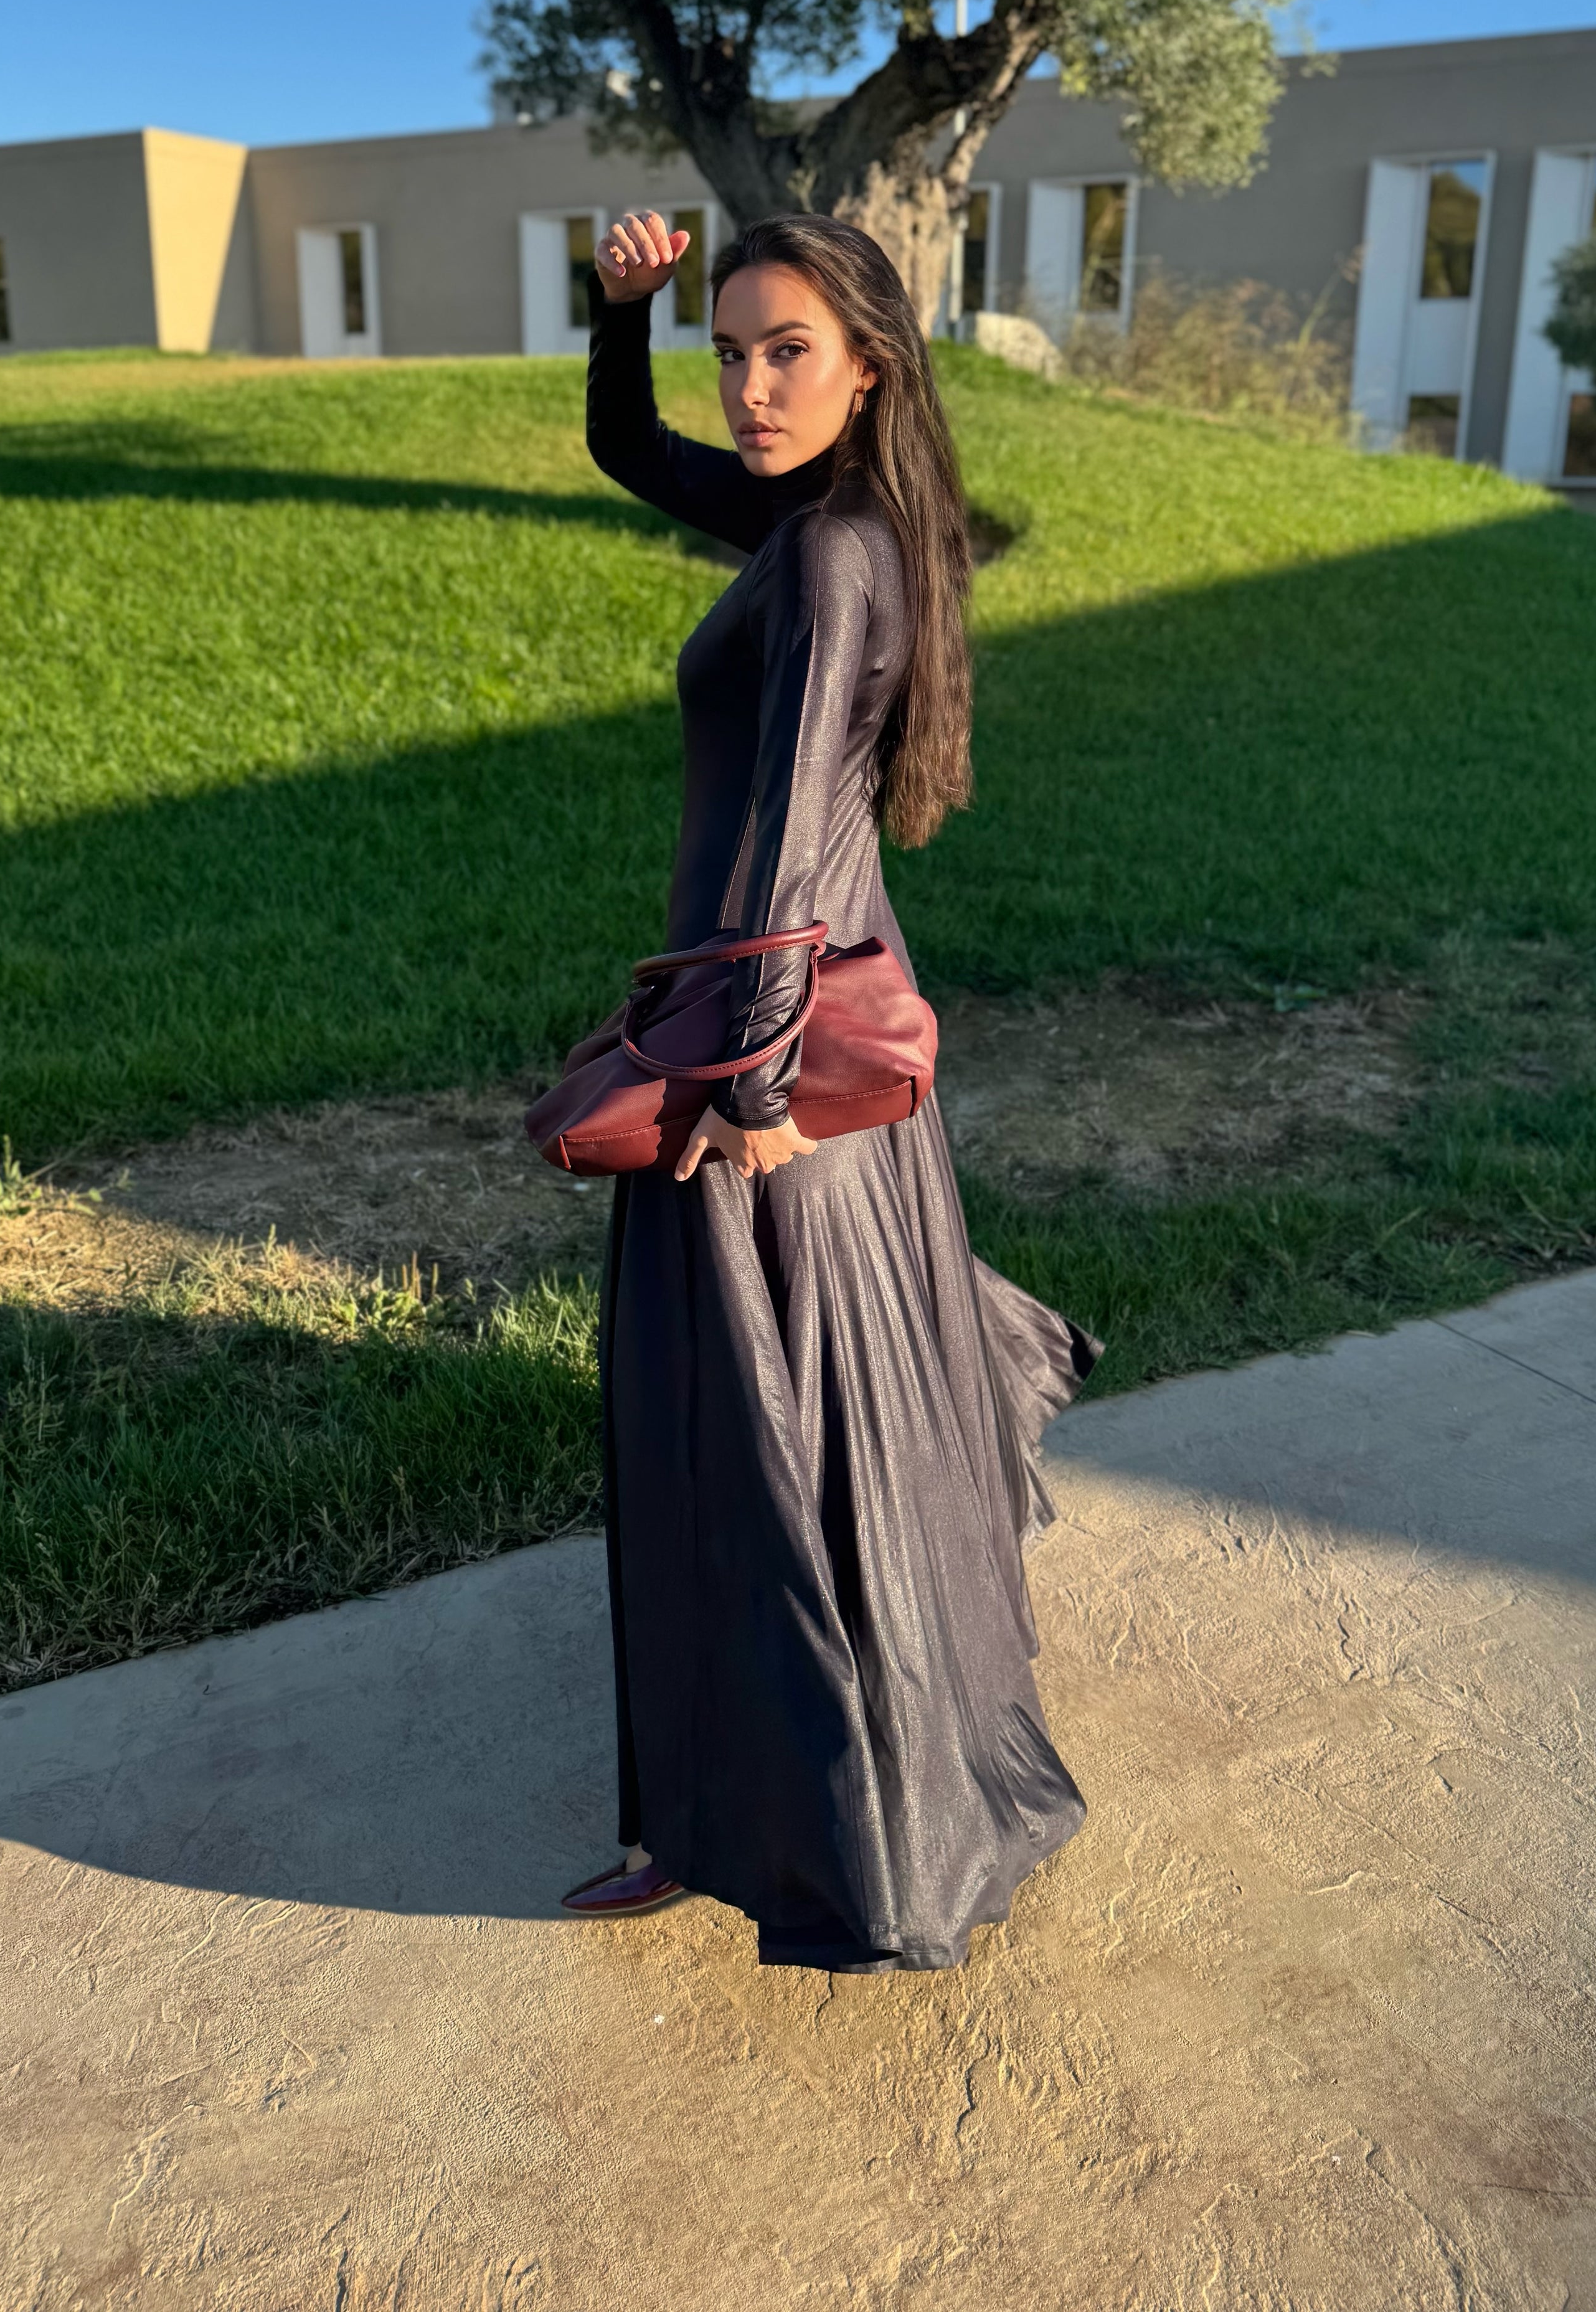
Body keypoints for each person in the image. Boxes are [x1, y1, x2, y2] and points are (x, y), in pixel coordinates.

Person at [558, 206, 1098, 1973]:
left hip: (769, 1056)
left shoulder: (837, 551)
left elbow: (789, 834)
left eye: (787, 350)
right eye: (730, 352)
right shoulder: (825, 522)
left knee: (758, 1444)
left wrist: (750, 1081)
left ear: (869, 362)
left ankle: (827, 1835)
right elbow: (629, 451)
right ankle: (733, 1808)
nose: (750, 388)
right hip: (776, 1022)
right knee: (778, 1435)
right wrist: (623, 315)